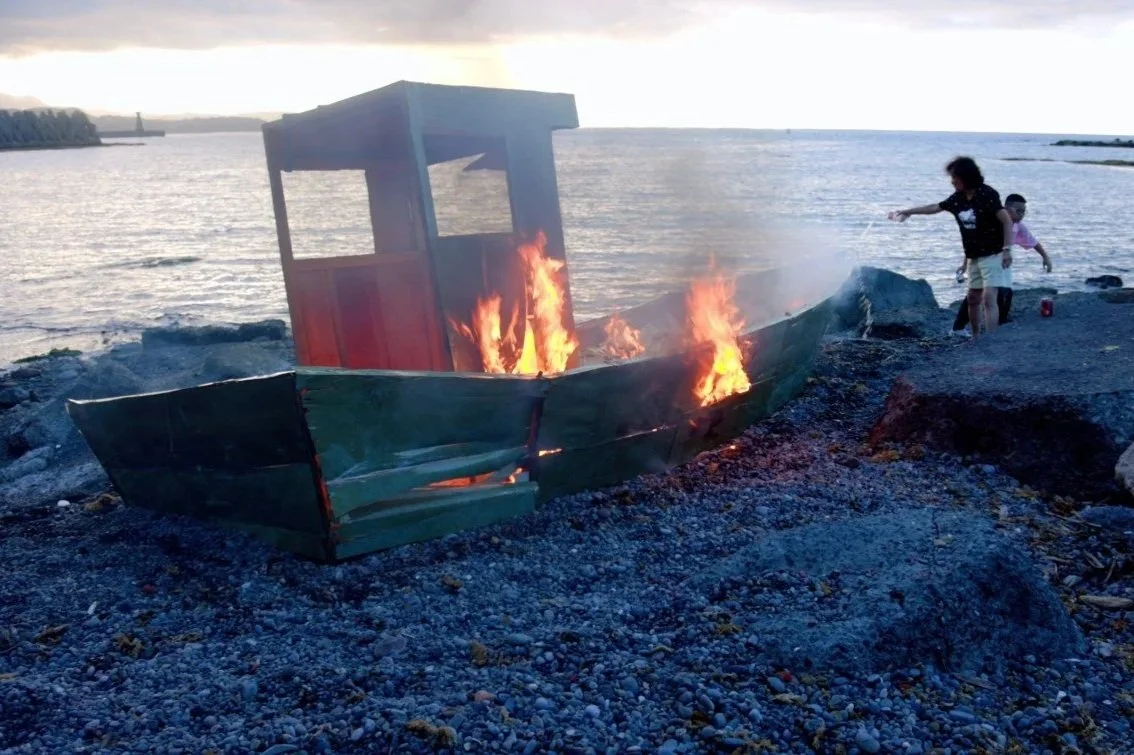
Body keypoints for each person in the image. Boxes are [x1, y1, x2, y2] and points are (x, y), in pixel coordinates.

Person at [890, 157, 1014, 337]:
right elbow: (935, 207)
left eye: (955, 177)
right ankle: (976, 336)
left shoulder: (987, 195)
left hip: (993, 254)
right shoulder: (958, 198)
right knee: (973, 298)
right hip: (974, 256)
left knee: (989, 298)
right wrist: (908, 212)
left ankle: (991, 339)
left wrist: (1007, 250)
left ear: (967, 177)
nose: (952, 181)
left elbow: (1006, 220)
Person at [952, 193, 1052, 332]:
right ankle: (959, 328)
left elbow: (1033, 242)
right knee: (975, 295)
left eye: (1024, 211)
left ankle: (999, 324)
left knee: (1005, 294)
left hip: (1002, 266)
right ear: (1007, 209)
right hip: (984, 264)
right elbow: (973, 245)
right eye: (1019, 211)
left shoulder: (1018, 227)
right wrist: (964, 265)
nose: (1022, 214)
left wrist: (1045, 257)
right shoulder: (991, 222)